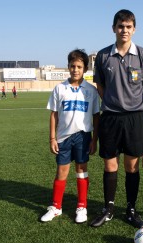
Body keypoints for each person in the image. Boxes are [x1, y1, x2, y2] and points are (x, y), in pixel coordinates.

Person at [90, 9, 143, 228]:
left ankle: (130, 209)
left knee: (132, 167)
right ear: (113, 28)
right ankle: (108, 209)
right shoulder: (102, 56)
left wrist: (141, 105)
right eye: (120, 26)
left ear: (134, 29)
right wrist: (111, 102)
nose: (124, 30)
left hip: (135, 119)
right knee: (110, 166)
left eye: (128, 27)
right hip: (110, 118)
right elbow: (100, 85)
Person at [40, 49, 100, 223]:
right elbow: (54, 114)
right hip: (63, 138)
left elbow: (97, 116)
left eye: (79, 66)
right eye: (73, 66)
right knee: (61, 172)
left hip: (83, 136)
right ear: (68, 67)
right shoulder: (60, 88)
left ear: (85, 69)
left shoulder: (91, 90)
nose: (75, 69)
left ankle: (82, 207)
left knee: (81, 170)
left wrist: (94, 140)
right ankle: (56, 207)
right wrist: (52, 138)